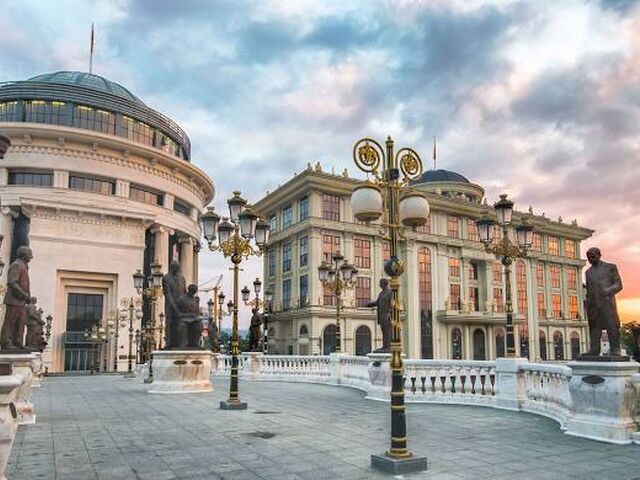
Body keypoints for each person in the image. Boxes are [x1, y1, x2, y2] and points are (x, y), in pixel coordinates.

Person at [584, 247, 623, 356]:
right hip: (593, 305)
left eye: (592, 257)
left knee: (612, 326)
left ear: (599, 255)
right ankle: (594, 349)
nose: (590, 259)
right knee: (594, 328)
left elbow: (618, 284)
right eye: (588, 258)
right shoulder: (588, 272)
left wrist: (608, 290)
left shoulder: (610, 267)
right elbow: (589, 290)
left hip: (607, 303)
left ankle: (615, 349)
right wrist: (587, 302)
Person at [1, 246, 33, 350]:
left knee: (20, 322)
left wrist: (27, 297)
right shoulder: (17, 265)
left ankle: (18, 342)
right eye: (30, 254)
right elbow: (12, 282)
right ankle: (6, 342)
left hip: (21, 301)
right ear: (24, 255)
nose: (31, 257)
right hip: (14, 300)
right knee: (10, 322)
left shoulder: (23, 266)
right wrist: (24, 295)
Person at [162, 260, 186, 349]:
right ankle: (168, 342)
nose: (177, 269)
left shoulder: (182, 278)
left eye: (178, 267)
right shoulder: (166, 278)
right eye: (175, 267)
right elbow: (167, 293)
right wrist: (173, 305)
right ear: (172, 267)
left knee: (180, 323)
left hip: (181, 306)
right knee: (170, 323)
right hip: (170, 305)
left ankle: (180, 342)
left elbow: (184, 291)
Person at [366, 278, 392, 352]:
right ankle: (384, 346)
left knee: (388, 332)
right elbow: (378, 302)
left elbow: (392, 304)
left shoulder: (390, 292)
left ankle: (388, 347)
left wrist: (390, 314)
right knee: (384, 332)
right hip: (381, 316)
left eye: (381, 283)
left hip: (387, 315)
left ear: (384, 284)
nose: (379, 285)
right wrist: (369, 304)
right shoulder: (381, 293)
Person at [175, 284, 202, 349]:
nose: (193, 293)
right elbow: (176, 310)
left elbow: (197, 312)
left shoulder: (195, 300)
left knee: (199, 325)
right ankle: (184, 343)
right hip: (184, 318)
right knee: (182, 325)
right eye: (192, 291)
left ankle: (195, 343)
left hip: (193, 319)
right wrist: (181, 315)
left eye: (194, 292)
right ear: (189, 290)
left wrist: (198, 317)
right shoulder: (181, 299)